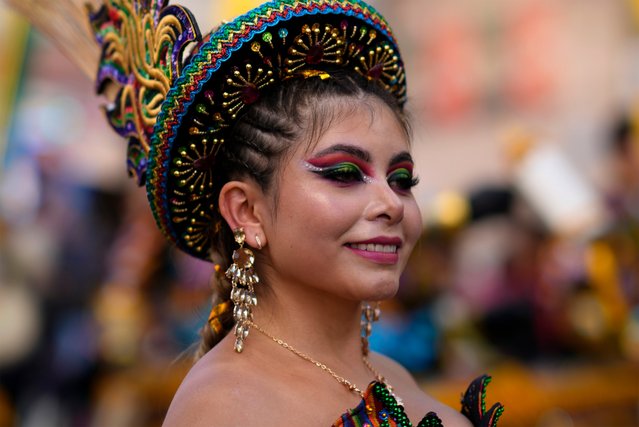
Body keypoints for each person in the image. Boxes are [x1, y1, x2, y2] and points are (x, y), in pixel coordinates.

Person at [97, 0, 505, 425]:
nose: (391, 204)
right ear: (247, 211)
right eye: (345, 174)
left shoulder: (394, 376)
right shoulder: (224, 407)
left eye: (402, 180)